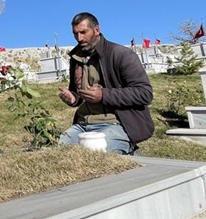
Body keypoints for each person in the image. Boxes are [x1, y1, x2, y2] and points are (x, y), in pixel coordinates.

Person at [57, 12, 154, 154]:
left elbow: (145, 93)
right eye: (75, 34)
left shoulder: (121, 54)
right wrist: (73, 98)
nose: (79, 38)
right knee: (57, 152)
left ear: (96, 30)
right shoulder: (76, 58)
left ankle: (129, 149)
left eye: (83, 32)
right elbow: (78, 95)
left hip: (116, 123)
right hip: (83, 124)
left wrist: (104, 95)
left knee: (96, 156)